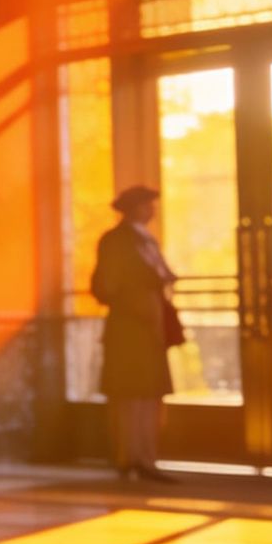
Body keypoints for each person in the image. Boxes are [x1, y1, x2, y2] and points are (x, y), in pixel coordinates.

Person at [91, 184, 180, 483]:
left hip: (146, 326)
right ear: (134, 208)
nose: (152, 210)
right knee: (131, 395)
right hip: (130, 327)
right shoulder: (118, 241)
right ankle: (130, 456)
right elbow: (107, 286)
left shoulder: (144, 241)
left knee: (147, 395)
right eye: (147, 204)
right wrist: (137, 303)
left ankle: (144, 457)